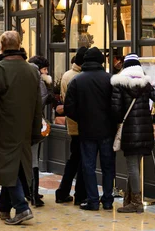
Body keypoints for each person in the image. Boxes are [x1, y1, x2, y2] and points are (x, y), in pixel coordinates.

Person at [0, 31, 42, 226]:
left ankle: (21, 207)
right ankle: (4, 207)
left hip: (1, 130)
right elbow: (38, 104)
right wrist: (36, 129)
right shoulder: (32, 71)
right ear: (19, 45)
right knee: (14, 167)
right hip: (24, 130)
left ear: (1, 47)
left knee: (5, 167)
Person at [111, 53, 155, 214]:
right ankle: (129, 198)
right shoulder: (146, 84)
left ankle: (136, 202)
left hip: (129, 131)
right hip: (145, 131)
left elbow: (115, 111)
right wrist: (152, 85)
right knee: (135, 166)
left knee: (132, 166)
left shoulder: (119, 84)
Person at [64, 47, 116, 211]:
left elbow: (68, 108)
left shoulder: (77, 80)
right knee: (108, 166)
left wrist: (82, 119)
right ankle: (107, 200)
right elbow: (117, 105)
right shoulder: (110, 79)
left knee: (88, 166)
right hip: (107, 130)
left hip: (87, 131)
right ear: (102, 62)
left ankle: (93, 200)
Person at [55, 47, 87, 205]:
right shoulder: (81, 77)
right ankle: (79, 194)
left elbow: (64, 99)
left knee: (74, 159)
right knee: (81, 160)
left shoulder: (67, 75)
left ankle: (62, 192)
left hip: (71, 124)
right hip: (82, 124)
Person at [25, 55, 54, 207]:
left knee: (25, 158)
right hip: (34, 124)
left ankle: (27, 191)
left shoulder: (22, 75)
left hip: (20, 123)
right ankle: (34, 194)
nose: (46, 72)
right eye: (45, 69)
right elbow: (42, 99)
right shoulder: (38, 79)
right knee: (34, 160)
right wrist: (49, 89)